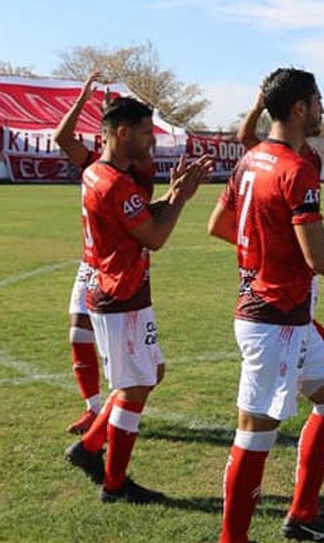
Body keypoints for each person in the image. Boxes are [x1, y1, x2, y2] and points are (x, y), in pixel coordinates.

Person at [208, 68, 324, 543]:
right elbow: (318, 259)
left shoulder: (251, 159)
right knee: (255, 431)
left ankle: (302, 513)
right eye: (319, 100)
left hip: (286, 315)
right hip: (273, 318)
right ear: (301, 107)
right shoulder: (294, 168)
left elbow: (218, 226)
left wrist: (264, 251)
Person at [63, 97, 214, 500]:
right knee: (135, 386)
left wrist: (172, 193)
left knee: (149, 375)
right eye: (147, 132)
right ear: (123, 132)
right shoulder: (114, 183)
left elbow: (140, 219)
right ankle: (113, 483)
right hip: (120, 294)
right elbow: (155, 236)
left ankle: (91, 447)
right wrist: (180, 198)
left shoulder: (98, 173)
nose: (152, 140)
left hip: (120, 290)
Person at [53, 72, 158, 436]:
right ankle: (93, 409)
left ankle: (109, 414)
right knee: (78, 333)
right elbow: (62, 138)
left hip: (120, 266)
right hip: (91, 263)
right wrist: (83, 97)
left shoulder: (135, 171)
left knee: (142, 368)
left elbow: (148, 222)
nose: (151, 141)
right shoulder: (100, 166)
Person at [235, 88, 324, 369]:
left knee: (305, 322)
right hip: (283, 273)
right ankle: (314, 373)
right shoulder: (279, 161)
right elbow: (245, 138)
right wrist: (259, 106)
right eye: (318, 102)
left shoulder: (306, 160)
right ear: (299, 109)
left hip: (298, 246)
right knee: (300, 321)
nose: (322, 109)